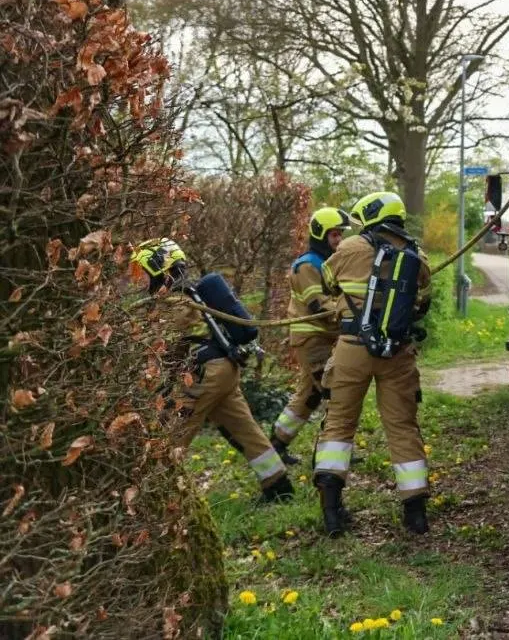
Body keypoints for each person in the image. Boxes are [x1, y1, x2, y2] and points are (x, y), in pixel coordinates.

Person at [131, 238, 293, 504]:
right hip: (223, 371)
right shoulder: (190, 295)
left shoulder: (175, 303)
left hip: (204, 375)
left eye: (144, 273)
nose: (142, 282)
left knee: (171, 434)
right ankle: (279, 485)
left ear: (160, 269)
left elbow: (161, 347)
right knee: (243, 428)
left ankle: (154, 498)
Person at [312, 191, 433, 537]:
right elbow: (425, 297)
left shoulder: (349, 248)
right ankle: (415, 514)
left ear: (368, 215)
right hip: (397, 351)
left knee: (338, 425)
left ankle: (332, 512)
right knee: (402, 425)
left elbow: (328, 281)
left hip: (352, 347)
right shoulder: (415, 254)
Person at [270, 207, 353, 465]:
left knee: (309, 395)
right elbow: (319, 305)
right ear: (320, 235)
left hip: (324, 337)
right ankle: (329, 454)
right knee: (335, 391)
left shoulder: (327, 262)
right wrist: (353, 315)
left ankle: (276, 446)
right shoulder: (307, 266)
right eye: (334, 235)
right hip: (312, 340)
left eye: (340, 234)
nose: (339, 240)